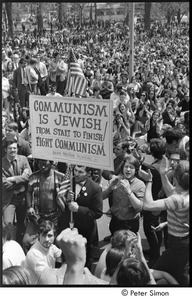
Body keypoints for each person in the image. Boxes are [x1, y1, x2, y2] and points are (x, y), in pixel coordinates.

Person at [139, 157, 189, 286]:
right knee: (177, 273)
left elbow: (148, 205)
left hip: (178, 244)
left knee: (153, 273)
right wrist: (162, 175)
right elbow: (170, 192)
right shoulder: (183, 194)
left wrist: (149, 181)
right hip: (180, 242)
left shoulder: (178, 199)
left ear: (176, 178)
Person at [59, 165, 103, 268]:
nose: (76, 174)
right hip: (68, 227)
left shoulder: (95, 188)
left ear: (88, 174)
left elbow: (97, 213)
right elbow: (61, 202)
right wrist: (66, 199)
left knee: (84, 260)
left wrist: (78, 209)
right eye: (75, 170)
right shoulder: (69, 183)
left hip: (85, 230)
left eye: (80, 172)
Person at [23, 159, 69, 252]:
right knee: (26, 241)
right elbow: (28, 192)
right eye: (39, 164)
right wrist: (29, 207)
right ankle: (33, 261)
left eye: (44, 164)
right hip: (37, 215)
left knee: (55, 242)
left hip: (55, 216)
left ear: (51, 163)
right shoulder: (33, 177)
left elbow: (67, 194)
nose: (42, 167)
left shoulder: (61, 177)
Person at [102, 156, 145, 236]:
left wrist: (129, 192)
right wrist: (109, 189)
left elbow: (139, 208)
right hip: (115, 221)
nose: (128, 169)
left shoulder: (140, 185)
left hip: (130, 223)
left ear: (136, 170)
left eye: (131, 167)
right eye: (126, 167)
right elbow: (101, 197)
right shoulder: (116, 180)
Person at [2, 138, 32, 245]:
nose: (13, 150)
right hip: (9, 199)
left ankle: (19, 246)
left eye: (14, 148)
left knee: (22, 224)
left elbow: (29, 177)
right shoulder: (2, 163)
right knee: (8, 225)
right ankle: (8, 246)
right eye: (10, 148)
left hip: (23, 198)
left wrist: (13, 179)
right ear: (5, 149)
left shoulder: (23, 159)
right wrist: (21, 178)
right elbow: (5, 184)